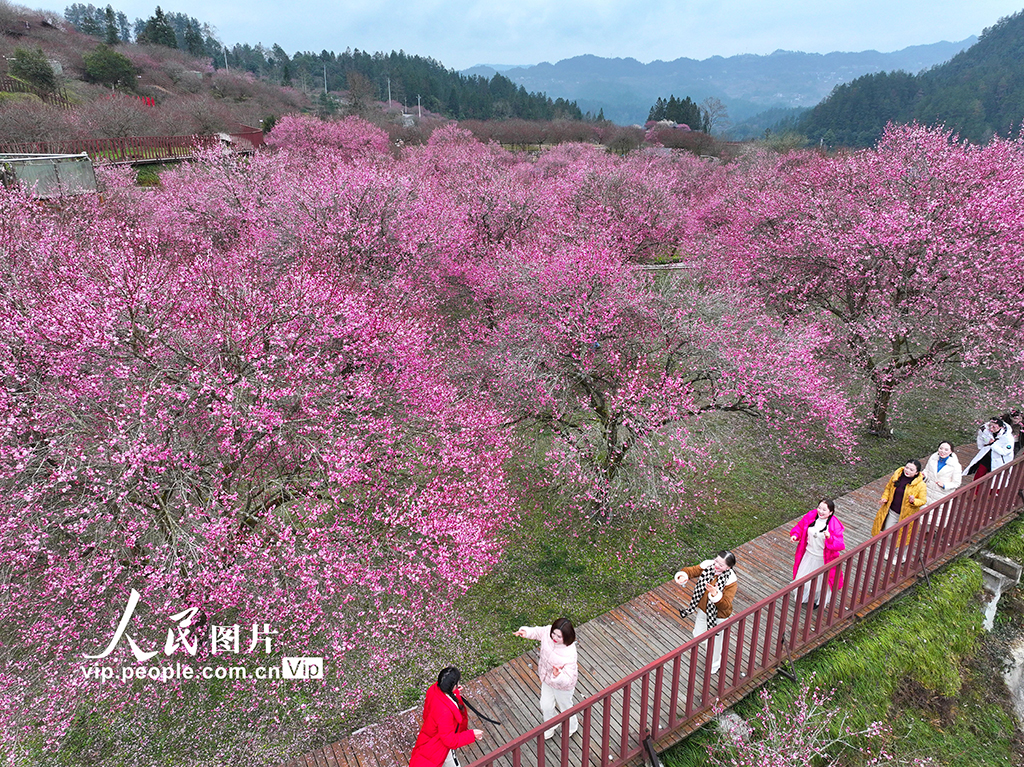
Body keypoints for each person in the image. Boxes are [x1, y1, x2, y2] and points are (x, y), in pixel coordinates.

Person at [513, 618, 579, 739]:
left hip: (563, 686)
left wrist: (557, 675)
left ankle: (572, 727)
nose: (554, 637)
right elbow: (538, 632)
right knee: (545, 706)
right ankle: (551, 725)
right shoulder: (548, 631)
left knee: (565, 707)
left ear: (567, 636)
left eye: (559, 636)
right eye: (553, 633)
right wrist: (526, 632)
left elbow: (568, 679)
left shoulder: (570, 654)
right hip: (547, 679)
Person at [675, 551, 738, 675]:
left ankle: (715, 665)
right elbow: (691, 571)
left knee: (715, 643)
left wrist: (716, 595)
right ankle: (708, 644)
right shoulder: (708, 566)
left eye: (721, 565)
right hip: (703, 611)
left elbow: (726, 606)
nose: (716, 565)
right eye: (716, 561)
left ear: (728, 567)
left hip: (719, 617)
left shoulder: (731, 582)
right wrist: (683, 575)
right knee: (698, 635)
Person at [409, 667, 483, 767]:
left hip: (432, 736)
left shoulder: (433, 689)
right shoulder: (445, 712)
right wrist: (472, 734)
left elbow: (426, 713)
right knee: (451, 762)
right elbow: (450, 741)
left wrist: (454, 691)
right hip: (440, 744)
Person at [789, 499, 845, 607]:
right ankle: (804, 597)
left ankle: (817, 600)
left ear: (831, 512)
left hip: (823, 559)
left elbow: (840, 544)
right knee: (803, 577)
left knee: (821, 582)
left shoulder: (834, 525)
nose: (820, 511)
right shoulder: (811, 516)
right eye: (819, 508)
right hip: (808, 554)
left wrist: (829, 537)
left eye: (824, 510)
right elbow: (800, 527)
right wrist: (795, 535)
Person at [871, 459, 927, 554]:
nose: (908, 471)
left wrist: (914, 501)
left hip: (908, 515)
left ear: (917, 473)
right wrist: (885, 497)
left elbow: (923, 500)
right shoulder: (896, 476)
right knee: (888, 533)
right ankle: (888, 551)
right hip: (893, 512)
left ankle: (902, 555)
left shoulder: (921, 485)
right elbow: (888, 488)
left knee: (905, 537)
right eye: (907, 467)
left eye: (911, 470)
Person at [963, 415, 1015, 482]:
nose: (991, 428)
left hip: (1000, 460)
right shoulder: (985, 430)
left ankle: (994, 491)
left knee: (997, 478)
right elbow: (981, 438)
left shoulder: (1008, 438)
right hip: (987, 455)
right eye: (990, 426)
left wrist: (993, 444)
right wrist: (982, 447)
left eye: (994, 427)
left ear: (1001, 427)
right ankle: (975, 490)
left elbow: (1005, 452)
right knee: (980, 472)